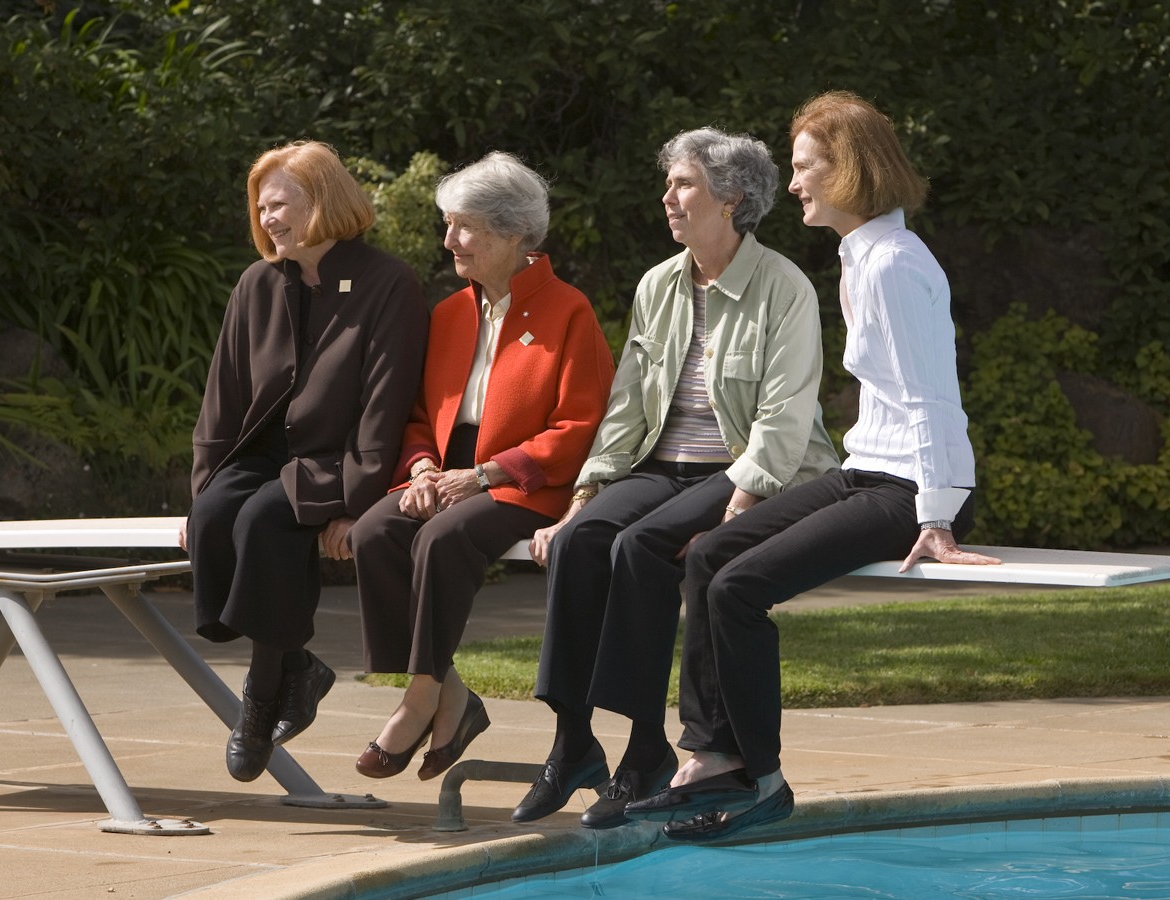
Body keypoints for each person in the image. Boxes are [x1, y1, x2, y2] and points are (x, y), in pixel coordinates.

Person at [624, 91, 1002, 842]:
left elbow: (930, 396)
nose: (792, 185)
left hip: (913, 492)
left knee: (737, 588)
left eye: (804, 168)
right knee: (710, 558)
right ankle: (711, 755)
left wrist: (936, 515)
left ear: (849, 169)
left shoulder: (891, 264)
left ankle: (757, 779)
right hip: (871, 471)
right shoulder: (862, 254)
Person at [513, 128, 839, 828]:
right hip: (663, 466)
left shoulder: (783, 286)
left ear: (732, 199)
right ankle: (572, 742)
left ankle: (643, 753)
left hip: (746, 469)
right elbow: (629, 402)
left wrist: (743, 501)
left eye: (683, 184)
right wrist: (584, 494)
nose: (667, 197)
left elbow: (785, 413)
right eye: (669, 184)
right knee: (579, 544)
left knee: (640, 548)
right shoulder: (659, 283)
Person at [349, 152, 614, 781]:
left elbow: (581, 427)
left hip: (525, 480)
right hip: (444, 471)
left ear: (514, 233)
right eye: (448, 225)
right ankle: (452, 695)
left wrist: (485, 475)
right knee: (375, 533)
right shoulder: (448, 313)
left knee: (442, 539)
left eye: (465, 227)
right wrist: (418, 471)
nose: (449, 241)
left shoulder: (569, 310)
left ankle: (419, 699)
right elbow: (417, 413)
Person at [184, 141, 428, 783]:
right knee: (214, 518)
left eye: (279, 203)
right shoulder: (258, 283)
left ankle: (261, 698)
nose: (267, 218)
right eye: (260, 207)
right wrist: (202, 484)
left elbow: (384, 406)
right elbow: (223, 395)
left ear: (321, 200)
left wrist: (356, 502)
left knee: (264, 521)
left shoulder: (387, 283)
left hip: (335, 457)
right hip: (263, 451)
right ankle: (298, 665)